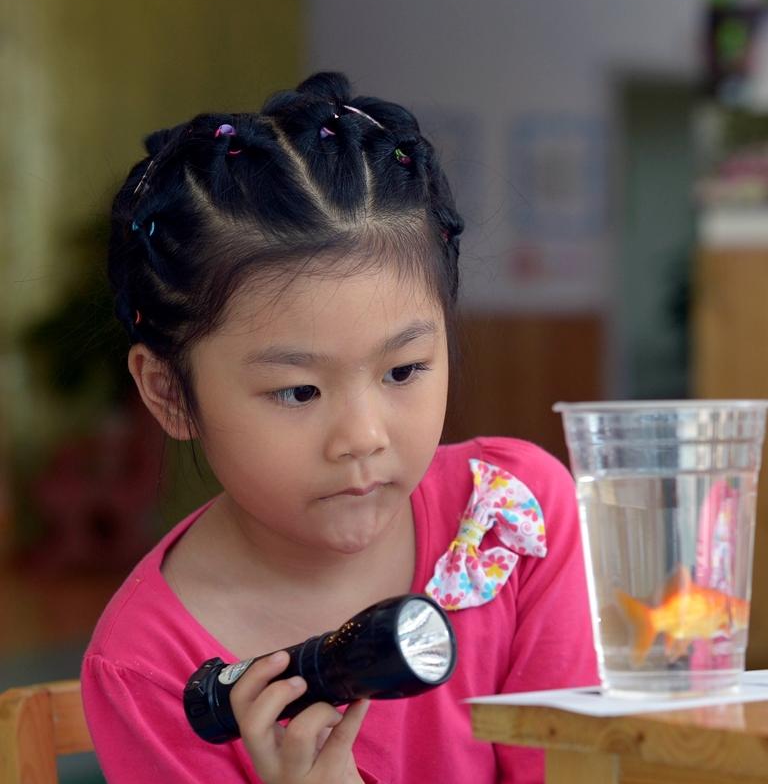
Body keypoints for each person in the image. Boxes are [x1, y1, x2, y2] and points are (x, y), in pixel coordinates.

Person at [80, 72, 598, 784]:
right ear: (169, 392)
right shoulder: (148, 666)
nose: (362, 436)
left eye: (403, 370)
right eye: (298, 389)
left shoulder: (511, 517)